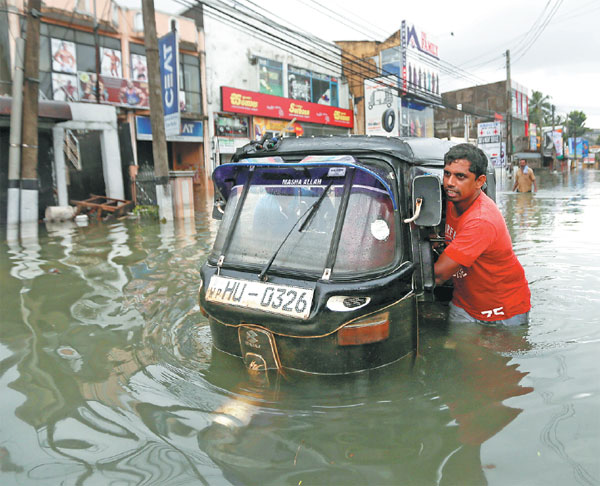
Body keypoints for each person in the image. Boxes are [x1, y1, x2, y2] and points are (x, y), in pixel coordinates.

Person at [434, 143, 531, 325]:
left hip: (504, 310)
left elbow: (438, 275)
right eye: (447, 174)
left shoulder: (481, 220)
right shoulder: (451, 198)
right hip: (465, 303)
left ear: (479, 181)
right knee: (459, 351)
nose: (450, 182)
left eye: (460, 176)